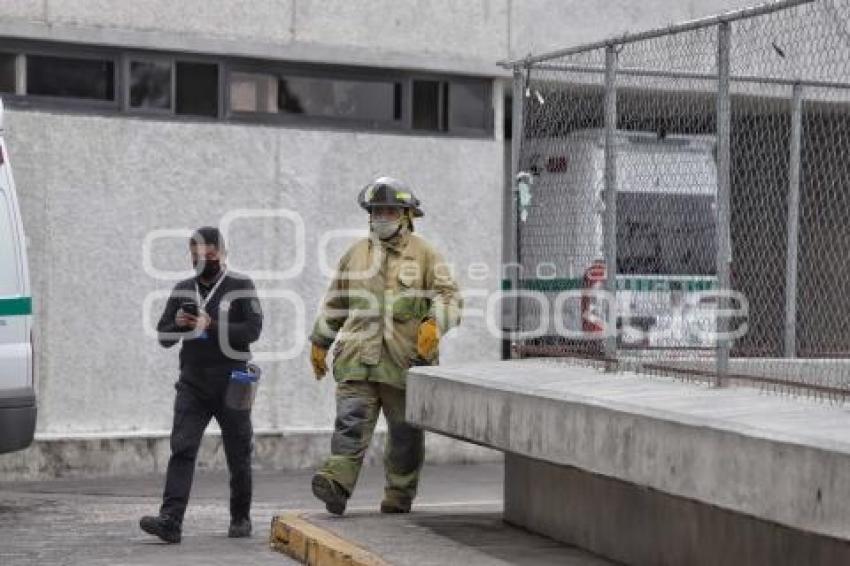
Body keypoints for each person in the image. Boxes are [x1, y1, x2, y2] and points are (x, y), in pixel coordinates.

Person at [309, 177, 462, 515]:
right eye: (377, 210)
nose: (383, 216)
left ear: (407, 215)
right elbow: (336, 302)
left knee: (404, 436)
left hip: (404, 363)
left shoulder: (425, 255)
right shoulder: (355, 255)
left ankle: (399, 493)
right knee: (349, 424)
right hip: (357, 359)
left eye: (390, 210)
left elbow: (450, 297)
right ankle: (336, 485)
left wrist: (435, 323)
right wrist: (320, 341)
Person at [140, 226, 263, 543]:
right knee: (182, 448)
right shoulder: (183, 289)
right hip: (193, 383)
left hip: (233, 380)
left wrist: (213, 324)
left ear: (221, 253)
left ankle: (240, 517)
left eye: (208, 254)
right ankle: (170, 521)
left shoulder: (240, 285)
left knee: (238, 452)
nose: (202, 260)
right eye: (195, 255)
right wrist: (179, 325)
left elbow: (252, 330)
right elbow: (164, 337)